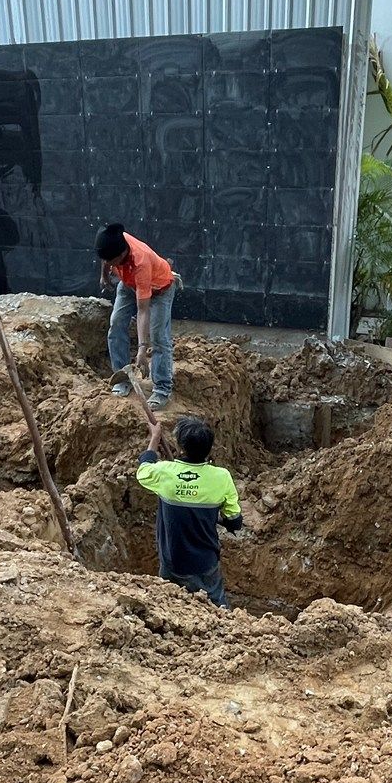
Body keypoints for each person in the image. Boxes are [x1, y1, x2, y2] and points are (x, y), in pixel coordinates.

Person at [134, 414, 241, 606]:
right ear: (209, 448)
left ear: (181, 447)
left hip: (172, 561)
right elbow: (235, 521)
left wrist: (154, 439)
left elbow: (143, 468)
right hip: (205, 563)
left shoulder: (165, 472)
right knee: (217, 608)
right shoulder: (221, 477)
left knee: (170, 606)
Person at [97, 222, 177, 412]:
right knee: (115, 324)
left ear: (122, 254)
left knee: (158, 337)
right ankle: (122, 378)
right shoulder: (112, 242)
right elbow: (105, 258)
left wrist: (142, 349)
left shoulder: (140, 262)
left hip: (159, 290)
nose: (109, 264)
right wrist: (105, 276)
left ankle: (162, 389)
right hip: (128, 284)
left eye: (112, 261)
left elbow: (143, 311)